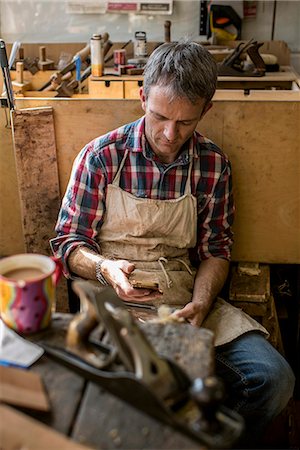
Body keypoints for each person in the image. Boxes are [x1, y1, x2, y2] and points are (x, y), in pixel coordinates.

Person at [51, 40, 295, 445]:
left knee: (273, 379)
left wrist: (200, 303)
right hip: (114, 306)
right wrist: (104, 268)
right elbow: (67, 242)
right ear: (142, 96)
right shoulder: (101, 157)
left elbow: (216, 250)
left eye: (185, 122)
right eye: (160, 116)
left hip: (185, 299)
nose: (169, 134)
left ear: (206, 110)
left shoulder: (213, 165)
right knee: (137, 396)